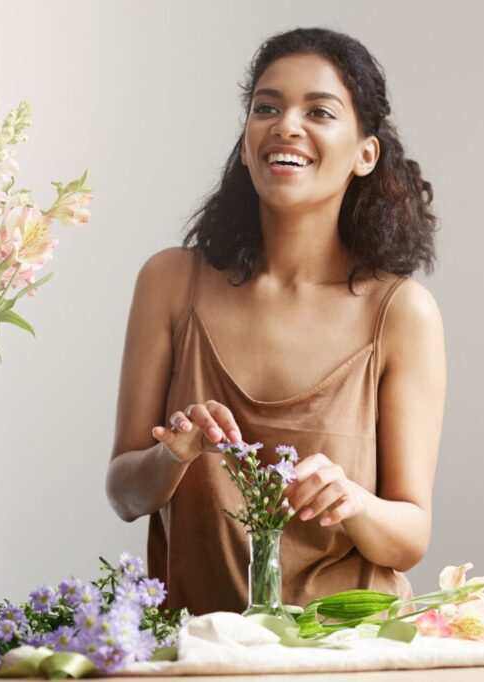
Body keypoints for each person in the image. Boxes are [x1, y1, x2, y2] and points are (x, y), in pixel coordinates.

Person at [106, 27, 446, 614]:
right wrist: (174, 455)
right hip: (202, 655)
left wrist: (354, 502)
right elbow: (124, 492)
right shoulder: (168, 283)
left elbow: (410, 533)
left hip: (346, 654)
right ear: (245, 144)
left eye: (319, 111)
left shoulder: (400, 313)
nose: (286, 125)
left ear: (366, 153)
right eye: (267, 107)